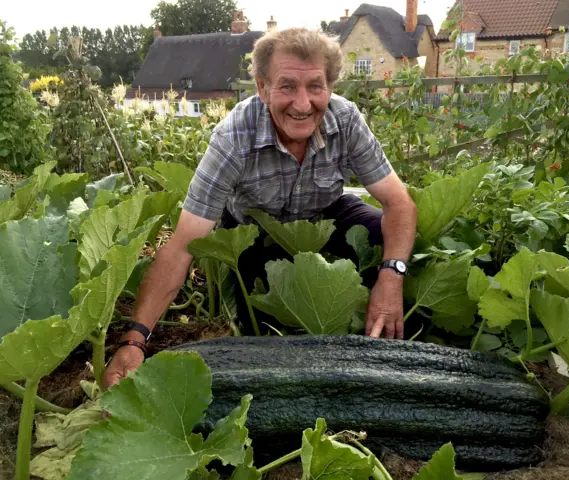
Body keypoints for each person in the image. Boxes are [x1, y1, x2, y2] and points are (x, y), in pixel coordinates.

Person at [103, 27, 416, 390]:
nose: (303, 104)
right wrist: (134, 339)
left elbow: (400, 203)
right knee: (256, 327)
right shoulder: (234, 138)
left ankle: (378, 329)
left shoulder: (345, 120)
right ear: (262, 88)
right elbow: (183, 245)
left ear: (329, 87)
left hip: (325, 214)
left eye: (315, 86)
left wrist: (391, 278)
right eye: (287, 86)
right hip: (252, 230)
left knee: (386, 235)